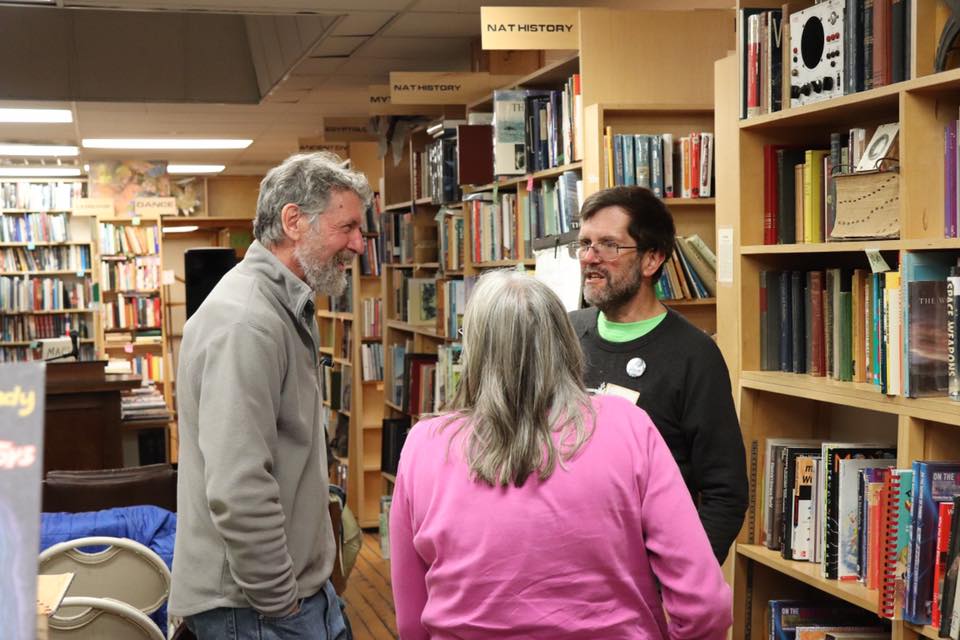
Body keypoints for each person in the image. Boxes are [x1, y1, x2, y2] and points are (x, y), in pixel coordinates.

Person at [390, 270, 732, 640]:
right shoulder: (629, 426)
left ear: (473, 351)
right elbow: (705, 606)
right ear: (565, 342)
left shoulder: (424, 445)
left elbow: (412, 622)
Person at [169, 151, 371, 639]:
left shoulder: (283, 306)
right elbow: (238, 487)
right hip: (257, 608)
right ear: (293, 221)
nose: (359, 245)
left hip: (291, 597)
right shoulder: (247, 322)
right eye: (347, 228)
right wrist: (280, 600)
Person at [568, 185, 748, 564]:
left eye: (608, 245)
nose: (589, 258)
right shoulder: (563, 334)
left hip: (645, 581)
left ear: (652, 260)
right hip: (565, 570)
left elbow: (725, 493)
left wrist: (682, 585)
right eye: (584, 244)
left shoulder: (694, 355)